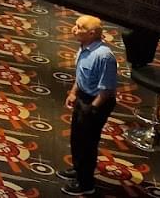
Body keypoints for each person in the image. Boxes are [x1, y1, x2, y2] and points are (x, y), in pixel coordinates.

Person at [61, 15, 118, 196]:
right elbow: (81, 75)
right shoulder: (84, 47)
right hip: (83, 97)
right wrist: (73, 93)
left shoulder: (104, 57)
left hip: (97, 102)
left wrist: (92, 110)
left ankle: (86, 183)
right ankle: (78, 169)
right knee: (76, 138)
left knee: (88, 143)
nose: (74, 29)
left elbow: (106, 90)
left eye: (79, 27)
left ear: (92, 33)